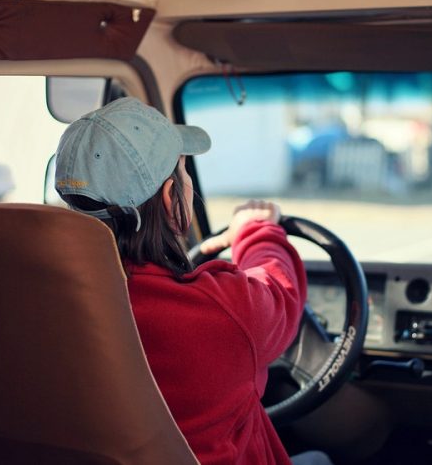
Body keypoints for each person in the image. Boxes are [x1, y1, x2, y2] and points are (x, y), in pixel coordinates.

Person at [54, 97, 332, 465]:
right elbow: (280, 292)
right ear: (171, 198)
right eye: (183, 173)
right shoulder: (219, 312)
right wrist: (257, 231)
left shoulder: (49, 306)